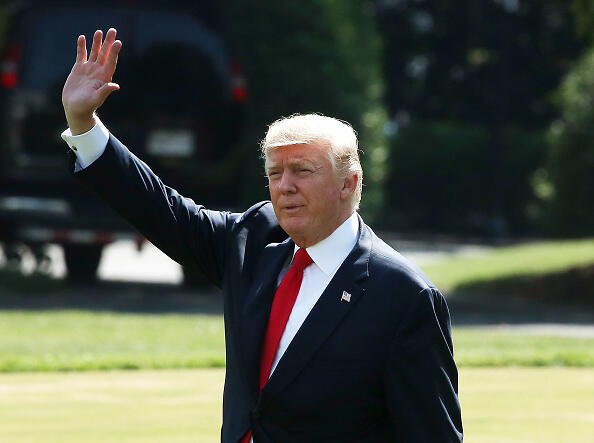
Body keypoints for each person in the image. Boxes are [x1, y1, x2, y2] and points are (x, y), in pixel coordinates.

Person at [61, 28, 463, 442]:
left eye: (303, 171)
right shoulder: (252, 241)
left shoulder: (404, 295)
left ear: (349, 183)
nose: (284, 186)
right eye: (275, 173)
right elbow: (162, 210)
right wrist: (84, 124)